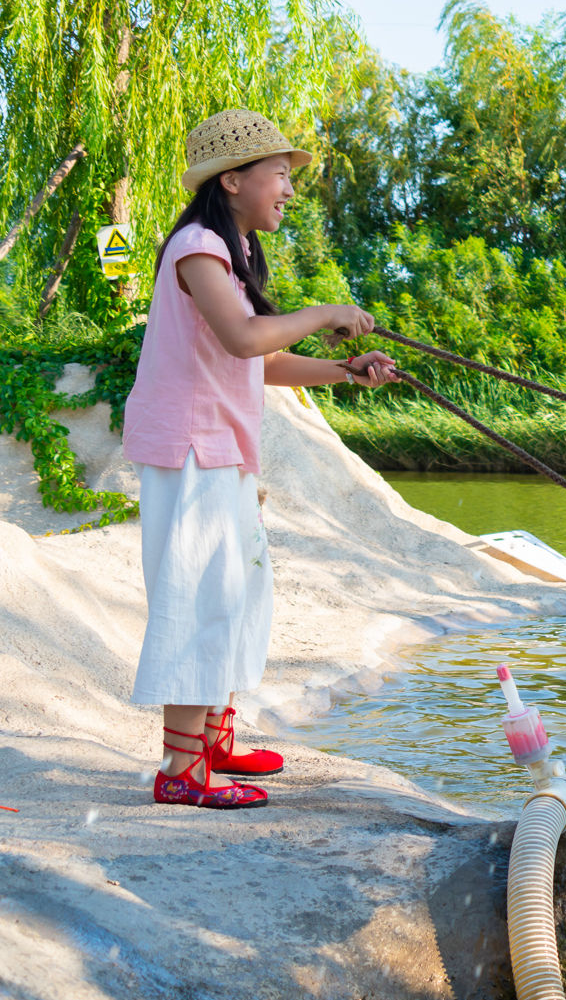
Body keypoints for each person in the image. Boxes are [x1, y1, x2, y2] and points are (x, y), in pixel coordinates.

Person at [124, 109, 398, 809]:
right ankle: (180, 772)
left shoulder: (233, 251)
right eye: (280, 174)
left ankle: (213, 738)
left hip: (221, 449)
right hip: (192, 451)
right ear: (233, 178)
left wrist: (344, 371)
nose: (288, 189)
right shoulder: (196, 247)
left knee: (238, 593)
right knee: (199, 595)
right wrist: (325, 311)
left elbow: (263, 359)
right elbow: (247, 338)